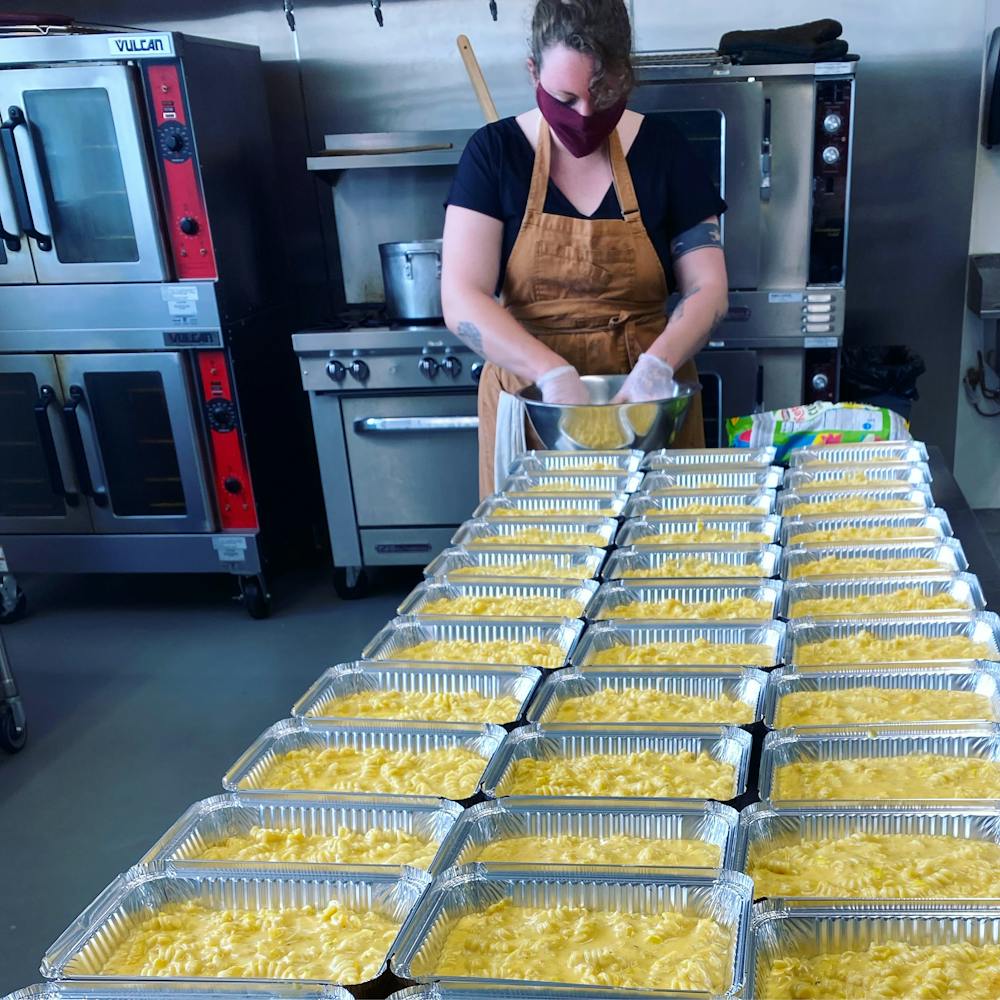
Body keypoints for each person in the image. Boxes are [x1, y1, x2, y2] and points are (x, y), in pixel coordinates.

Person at [441, 0, 729, 497]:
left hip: (650, 411)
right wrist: (550, 375)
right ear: (532, 71)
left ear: (626, 75)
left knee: (667, 561)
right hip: (533, 409)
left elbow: (708, 288)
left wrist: (657, 367)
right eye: (565, 97)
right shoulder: (494, 154)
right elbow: (462, 297)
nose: (586, 115)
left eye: (604, 94)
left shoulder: (665, 150)